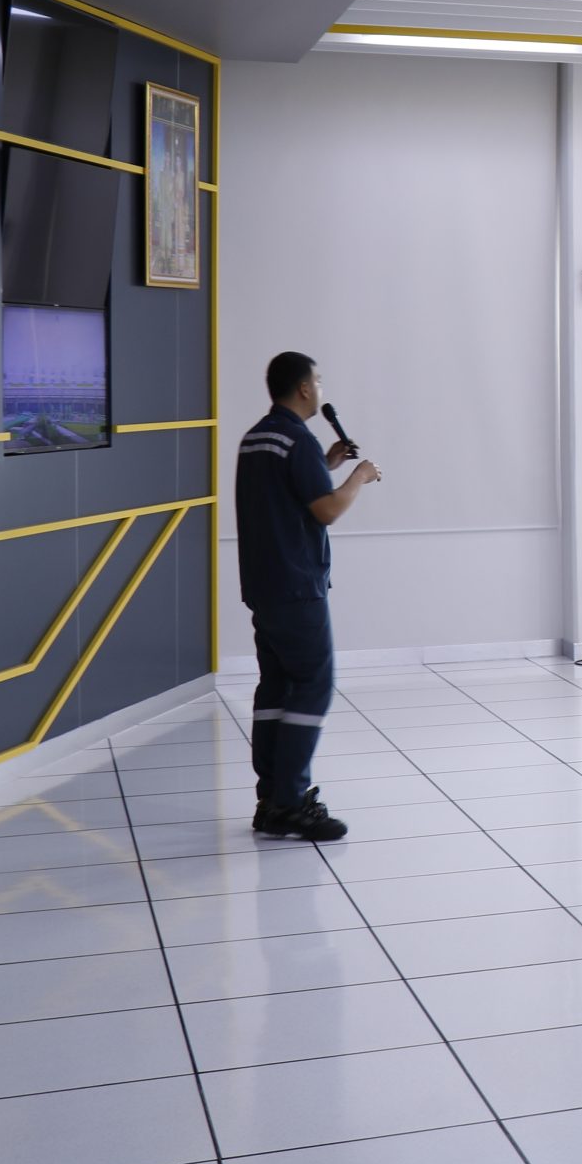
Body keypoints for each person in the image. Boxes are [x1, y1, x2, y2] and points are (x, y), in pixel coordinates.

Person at [237, 351, 380, 842]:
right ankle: (293, 802)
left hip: (263, 584)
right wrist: (358, 476)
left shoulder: (258, 438)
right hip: (297, 585)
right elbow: (327, 510)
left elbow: (282, 495)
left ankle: (270, 800)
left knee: (275, 689)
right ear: (302, 389)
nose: (320, 388)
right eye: (317, 381)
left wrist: (327, 463)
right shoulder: (297, 439)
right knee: (314, 685)